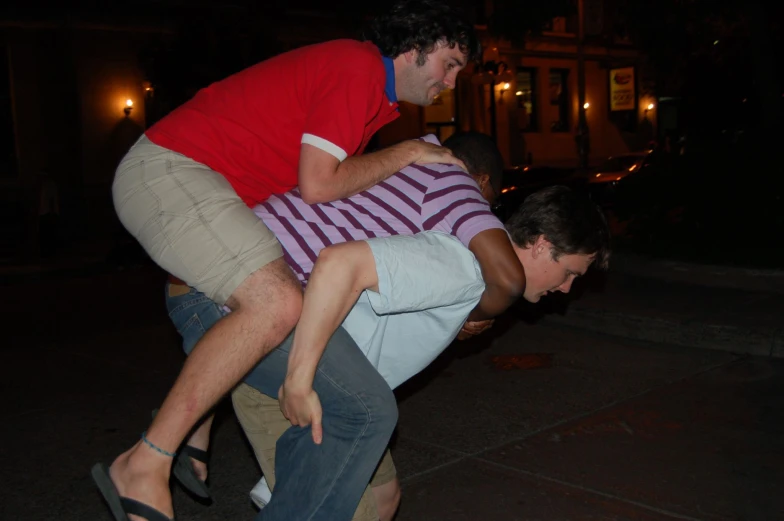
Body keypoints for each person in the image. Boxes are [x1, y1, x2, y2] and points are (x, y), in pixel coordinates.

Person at [91, 2, 481, 520]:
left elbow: (305, 208)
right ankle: (145, 462)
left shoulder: (368, 99)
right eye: (449, 64)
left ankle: (189, 434)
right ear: (413, 48)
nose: (450, 83)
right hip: (172, 169)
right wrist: (407, 153)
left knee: (263, 299)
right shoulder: (359, 66)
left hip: (205, 193)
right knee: (276, 302)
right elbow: (319, 185)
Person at [166, 137, 609, 519]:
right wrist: (299, 380)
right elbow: (340, 262)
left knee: (383, 495)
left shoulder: (464, 267)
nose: (567, 290)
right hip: (284, 361)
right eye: (571, 272)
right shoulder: (465, 266)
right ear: (544, 244)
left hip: (307, 350)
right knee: (367, 422)